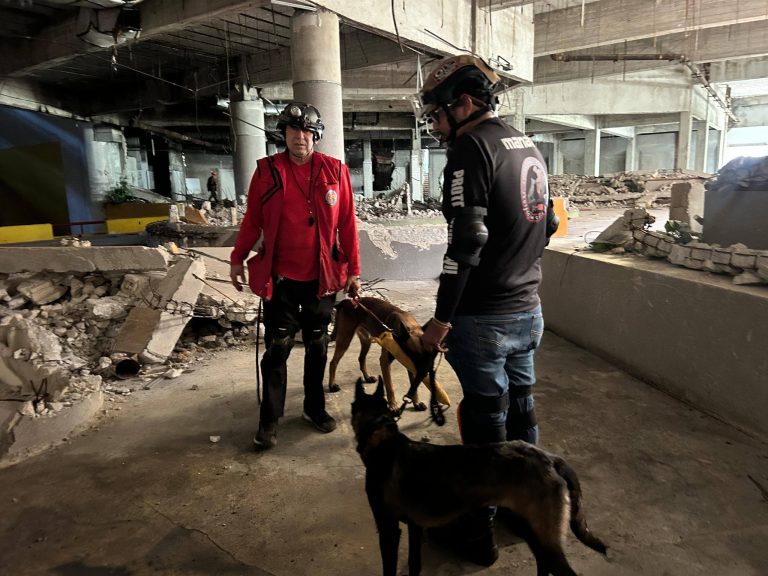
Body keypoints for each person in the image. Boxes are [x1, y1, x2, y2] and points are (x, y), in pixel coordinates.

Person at [417, 55, 555, 566]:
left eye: (436, 113)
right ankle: (524, 509)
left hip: (484, 318)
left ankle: (477, 533)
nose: (434, 124)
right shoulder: (527, 144)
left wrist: (441, 318)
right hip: (528, 309)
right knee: (521, 407)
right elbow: (549, 226)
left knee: (484, 422)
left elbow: (467, 243)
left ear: (466, 104)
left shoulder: (470, 148)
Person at [230, 101, 361, 451]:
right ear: (283, 134)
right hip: (281, 279)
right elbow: (252, 221)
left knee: (317, 346)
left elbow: (347, 224)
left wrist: (355, 271)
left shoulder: (334, 171)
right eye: (292, 130)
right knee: (277, 349)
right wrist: (237, 258)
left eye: (306, 130)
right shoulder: (267, 172)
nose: (299, 137)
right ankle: (269, 420)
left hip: (323, 279)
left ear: (316, 135)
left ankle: (313, 409)